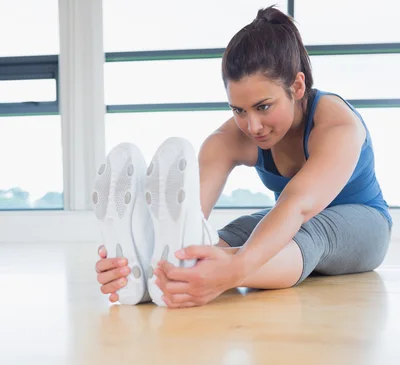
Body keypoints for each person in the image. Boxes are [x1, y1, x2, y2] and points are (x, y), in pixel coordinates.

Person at [95, 5, 392, 309]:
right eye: (238, 110)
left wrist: (233, 271)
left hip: (365, 227)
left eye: (263, 106)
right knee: (230, 235)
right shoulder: (228, 140)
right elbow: (188, 215)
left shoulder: (336, 125)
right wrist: (144, 256)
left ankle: (186, 272)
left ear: (297, 86)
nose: (252, 126)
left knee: (300, 232)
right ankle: (154, 273)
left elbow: (298, 206)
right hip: (294, 218)